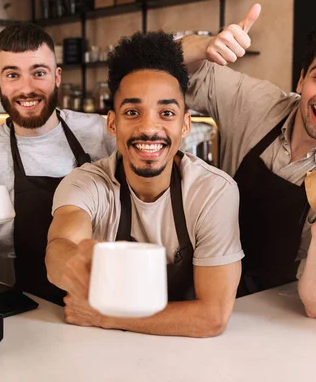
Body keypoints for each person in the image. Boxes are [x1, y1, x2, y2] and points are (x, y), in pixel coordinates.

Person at [181, 4, 316, 318]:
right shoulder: (257, 104)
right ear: (302, 80)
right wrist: (204, 46)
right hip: (202, 284)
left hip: (275, 314)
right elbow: (154, 66)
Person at [45, 31, 243, 338]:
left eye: (166, 113)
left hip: (190, 355)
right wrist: (68, 258)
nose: (149, 128)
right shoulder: (87, 183)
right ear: (112, 123)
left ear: (185, 124)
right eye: (132, 112)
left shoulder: (213, 192)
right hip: (103, 352)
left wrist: (105, 317)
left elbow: (212, 317)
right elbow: (60, 245)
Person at [0, 22, 115, 305]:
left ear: (57, 76)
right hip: (27, 308)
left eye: (38, 73)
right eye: (13, 74)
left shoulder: (102, 134)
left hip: (103, 299)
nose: (27, 88)